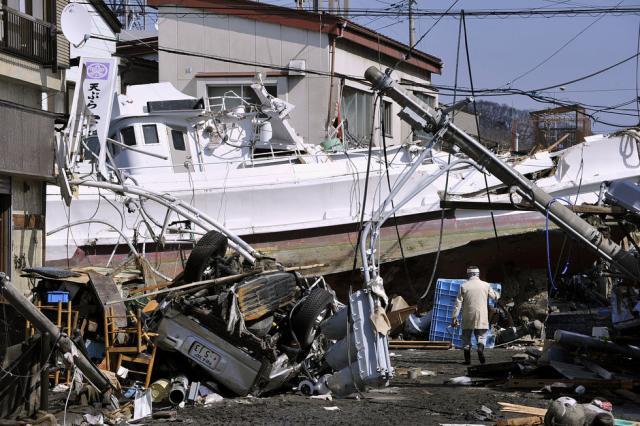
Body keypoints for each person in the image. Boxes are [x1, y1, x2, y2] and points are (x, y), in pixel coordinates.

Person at [451, 266, 499, 365]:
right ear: (478, 274)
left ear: (468, 274)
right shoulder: (486, 285)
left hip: (468, 315)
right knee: (481, 336)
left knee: (466, 338)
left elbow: (458, 303)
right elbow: (495, 297)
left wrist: (454, 317)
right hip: (482, 315)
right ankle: (480, 350)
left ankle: (467, 360)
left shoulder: (464, 286)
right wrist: (497, 294)